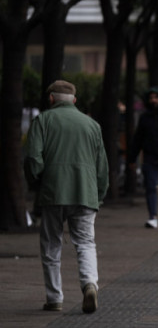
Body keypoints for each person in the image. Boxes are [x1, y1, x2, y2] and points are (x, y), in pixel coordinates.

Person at [24, 80, 109, 313]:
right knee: (85, 243)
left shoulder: (43, 120)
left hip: (53, 192)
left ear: (51, 98)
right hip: (85, 192)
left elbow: (33, 158)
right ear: (74, 100)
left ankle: (54, 298)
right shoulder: (92, 125)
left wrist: (38, 183)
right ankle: (90, 283)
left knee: (51, 244)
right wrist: (99, 194)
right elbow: (102, 167)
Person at [128, 87, 158, 229]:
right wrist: (132, 158)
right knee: (151, 186)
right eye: (151, 98)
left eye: (156, 97)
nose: (153, 100)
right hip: (150, 157)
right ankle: (153, 216)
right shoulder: (144, 118)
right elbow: (138, 139)